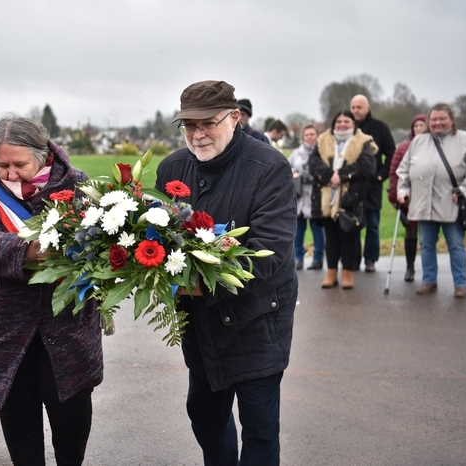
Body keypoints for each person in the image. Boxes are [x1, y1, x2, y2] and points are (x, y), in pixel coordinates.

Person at [157, 80, 297, 466]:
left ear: (234, 117)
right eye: (189, 126)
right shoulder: (172, 168)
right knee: (205, 416)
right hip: (201, 327)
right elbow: (155, 235)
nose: (198, 135)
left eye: (208, 124)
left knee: (259, 430)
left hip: (257, 321)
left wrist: (201, 283)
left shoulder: (269, 167)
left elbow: (269, 252)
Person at [0, 114, 103, 465]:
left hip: (67, 330)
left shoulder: (77, 185)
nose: (10, 173)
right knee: (19, 424)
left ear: (43, 155)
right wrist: (27, 250)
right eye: (1, 164)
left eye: (19, 164)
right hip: (6, 330)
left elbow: (100, 240)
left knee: (71, 420)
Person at [396, 103, 466, 299]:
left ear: (451, 120)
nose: (437, 123)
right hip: (422, 202)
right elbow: (403, 169)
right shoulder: (419, 141)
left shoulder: (465, 140)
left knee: (455, 244)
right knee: (426, 244)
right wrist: (403, 190)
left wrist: (464, 189)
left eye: (442, 119)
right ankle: (429, 280)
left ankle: (461, 284)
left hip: (451, 202)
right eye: (434, 119)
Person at [309, 110, 377, 289]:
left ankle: (347, 273)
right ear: (333, 124)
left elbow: (367, 166)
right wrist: (330, 176)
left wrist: (342, 176)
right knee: (330, 237)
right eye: (339, 121)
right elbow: (313, 162)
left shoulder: (363, 142)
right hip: (326, 197)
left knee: (348, 238)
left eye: (346, 121)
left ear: (353, 123)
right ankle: (331, 273)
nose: (342, 124)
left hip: (350, 197)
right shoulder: (322, 140)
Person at [350, 94, 396, 272]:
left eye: (359, 107)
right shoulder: (348, 128)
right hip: (352, 185)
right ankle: (352, 259)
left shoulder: (380, 128)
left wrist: (381, 175)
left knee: (373, 225)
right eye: (353, 107)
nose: (356, 110)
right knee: (351, 225)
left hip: (372, 186)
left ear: (367, 108)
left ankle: (370, 259)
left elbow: (391, 153)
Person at [388, 114, 427, 282]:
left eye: (422, 125)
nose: (418, 129)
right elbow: (395, 171)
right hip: (409, 197)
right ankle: (409, 266)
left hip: (429, 195)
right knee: (411, 231)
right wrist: (395, 196)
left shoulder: (433, 146)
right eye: (416, 126)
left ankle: (429, 271)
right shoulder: (404, 148)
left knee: (428, 234)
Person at [289, 124, 325, 270]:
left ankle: (318, 258)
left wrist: (310, 175)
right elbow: (287, 167)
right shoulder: (296, 153)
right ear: (303, 137)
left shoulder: (322, 151)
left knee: (318, 230)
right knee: (298, 230)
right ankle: (298, 258)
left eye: (312, 134)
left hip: (316, 196)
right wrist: (295, 173)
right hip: (300, 196)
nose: (309, 137)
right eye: (307, 135)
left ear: (317, 136)